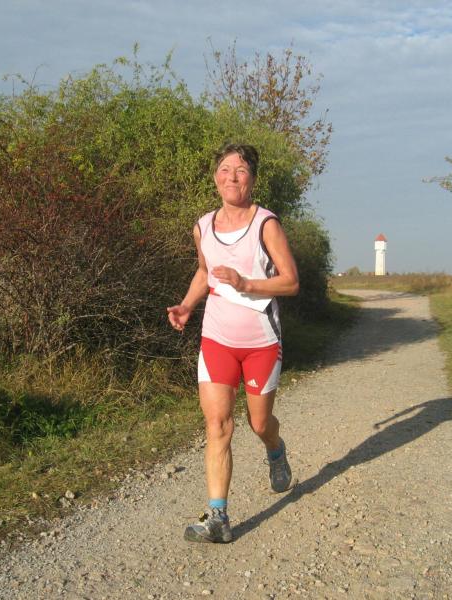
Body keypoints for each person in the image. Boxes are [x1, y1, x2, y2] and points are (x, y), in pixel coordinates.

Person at [166, 143, 300, 543]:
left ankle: (275, 450)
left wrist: (247, 283)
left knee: (259, 423)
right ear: (215, 177)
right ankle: (218, 517)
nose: (232, 176)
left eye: (240, 170)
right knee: (218, 424)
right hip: (217, 338)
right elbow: (203, 271)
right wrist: (187, 305)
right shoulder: (203, 226)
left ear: (252, 179)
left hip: (261, 341)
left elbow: (291, 282)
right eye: (225, 169)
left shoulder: (265, 224)